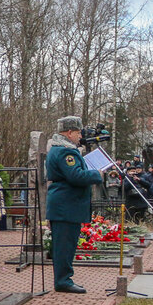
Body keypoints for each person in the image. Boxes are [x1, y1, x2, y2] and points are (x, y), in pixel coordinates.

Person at [44, 116, 104, 294]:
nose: (80, 136)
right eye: (78, 133)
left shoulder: (61, 149)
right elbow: (75, 176)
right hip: (66, 206)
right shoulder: (65, 152)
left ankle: (64, 278)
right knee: (64, 246)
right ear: (69, 133)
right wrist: (97, 174)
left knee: (66, 244)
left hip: (65, 205)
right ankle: (63, 281)